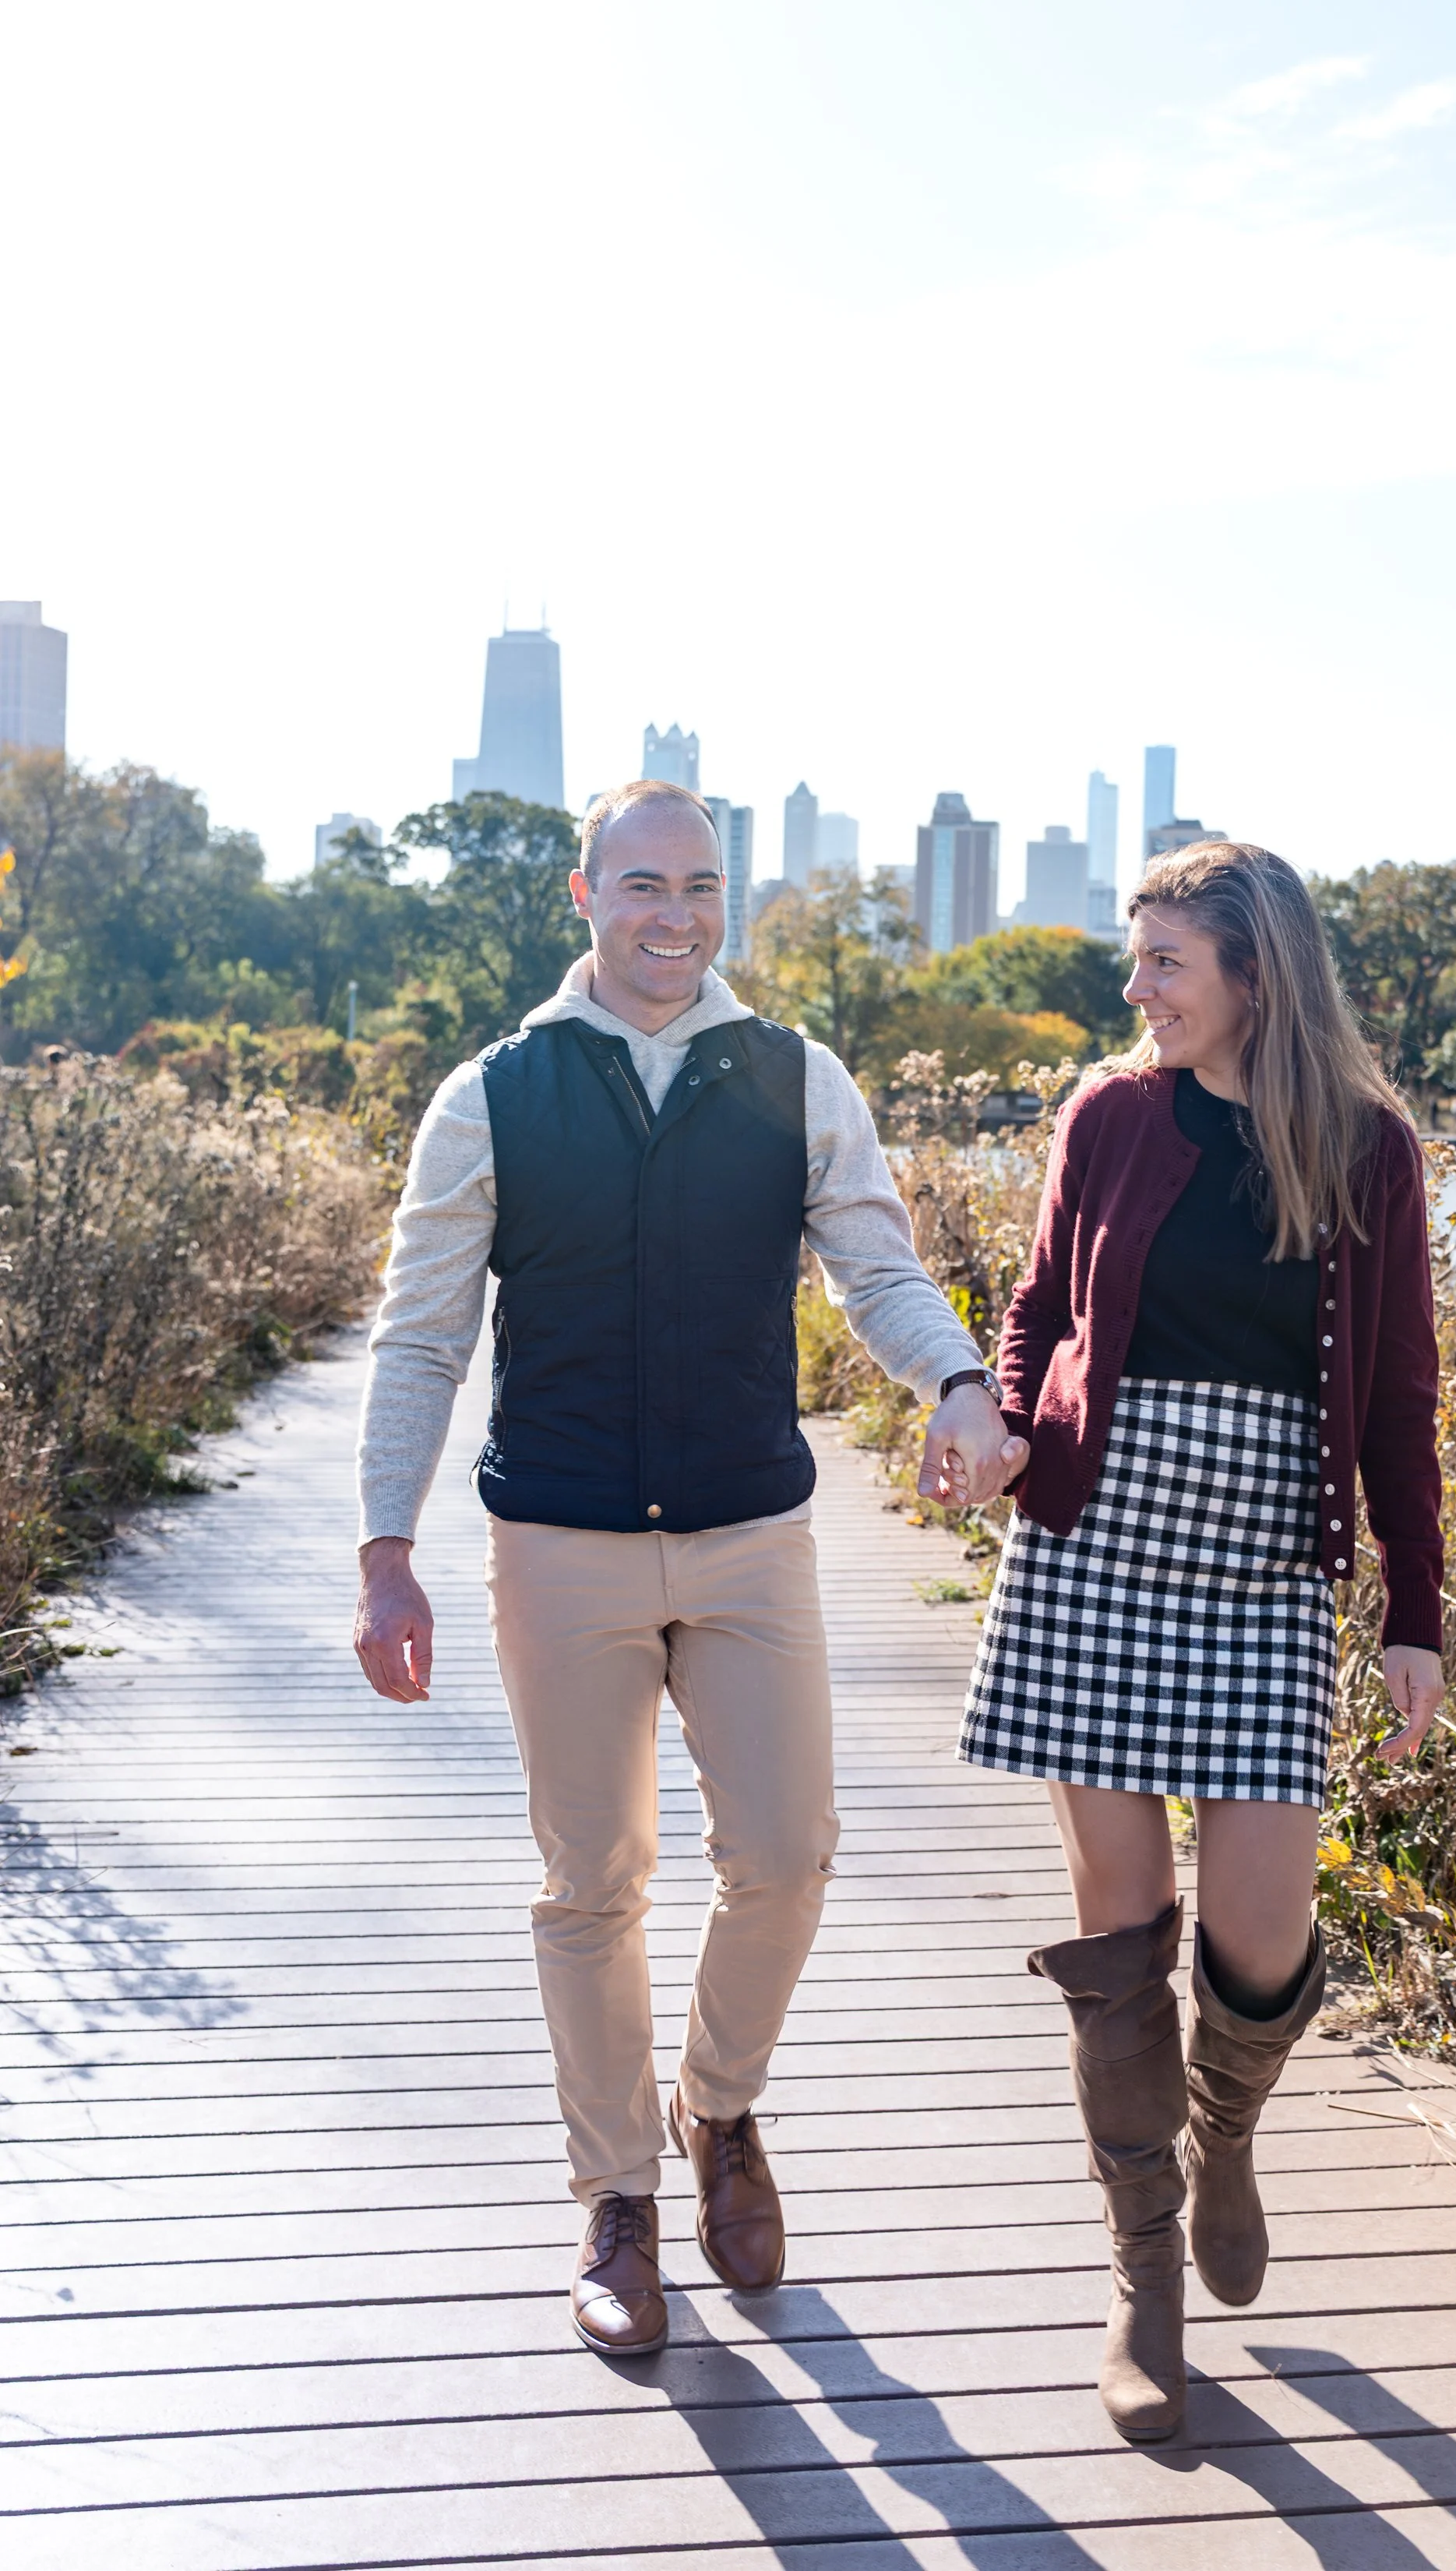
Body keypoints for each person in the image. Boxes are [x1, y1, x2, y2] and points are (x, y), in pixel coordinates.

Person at [354, 778, 1024, 2357]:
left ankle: (716, 2111)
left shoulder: (792, 1078)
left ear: (728, 903)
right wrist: (387, 1550)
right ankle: (616, 2201)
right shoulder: (493, 1092)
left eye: (701, 886)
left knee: (785, 1852)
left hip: (746, 1534)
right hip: (560, 1543)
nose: (673, 914)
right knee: (592, 1883)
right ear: (582, 898)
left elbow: (873, 1263)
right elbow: (422, 1333)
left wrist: (954, 1384)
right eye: (641, 884)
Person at [960, 840, 1444, 2442]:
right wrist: (1017, 1425)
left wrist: (1411, 1614)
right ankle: (1142, 2283)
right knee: (1119, 1936)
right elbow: (1038, 1308)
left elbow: (1393, 1404)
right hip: (1095, 1551)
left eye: (1162, 959)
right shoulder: (1104, 1115)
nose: (1134, 985)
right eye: (1135, 955)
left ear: (1253, 972)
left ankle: (1217, 2129)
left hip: (1257, 1574)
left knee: (1257, 1941)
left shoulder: (1367, 1151)